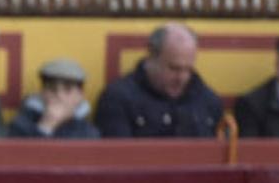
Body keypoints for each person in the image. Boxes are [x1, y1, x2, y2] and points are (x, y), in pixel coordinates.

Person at [94, 22, 223, 138]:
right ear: (152, 57)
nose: (182, 78)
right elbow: (117, 158)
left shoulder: (207, 100)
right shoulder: (119, 99)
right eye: (174, 68)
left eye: (188, 69)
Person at [8, 58, 101, 139]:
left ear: (80, 96)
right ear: (43, 92)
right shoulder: (21, 125)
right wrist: (45, 126)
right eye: (52, 89)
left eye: (67, 90)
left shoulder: (88, 132)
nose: (59, 95)